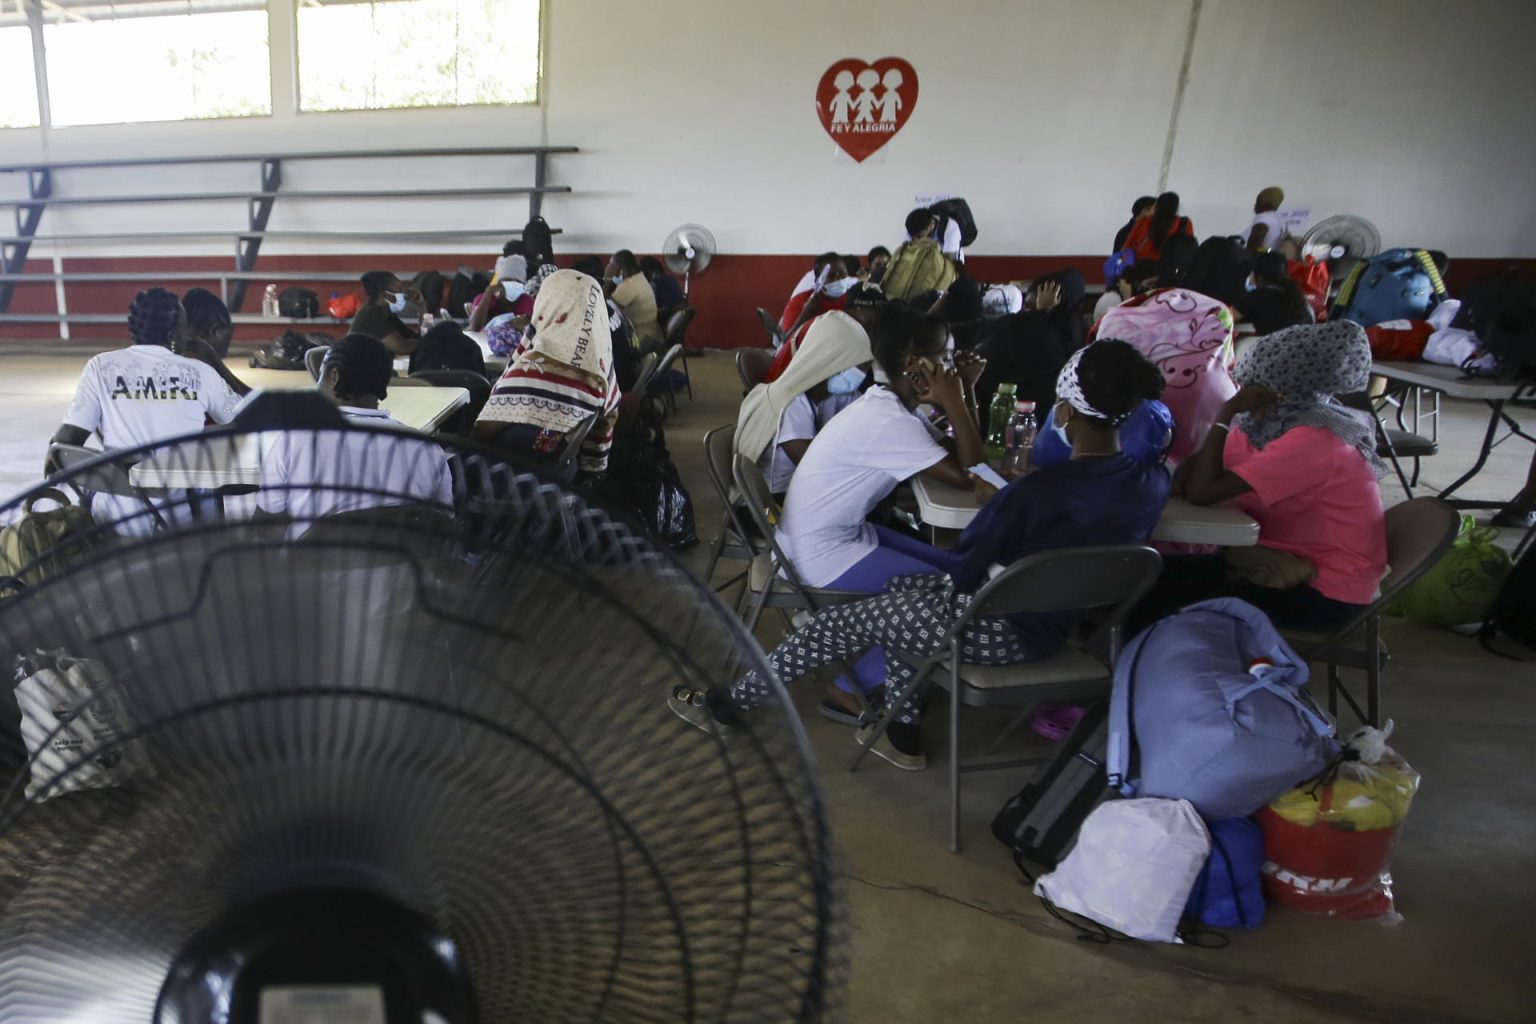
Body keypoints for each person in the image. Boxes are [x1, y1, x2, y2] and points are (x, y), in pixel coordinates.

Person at [671, 341, 1171, 770]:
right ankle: (899, 733)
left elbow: (961, 569)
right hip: (1058, 628)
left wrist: (1001, 503)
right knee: (902, 600)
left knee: (843, 623)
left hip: (995, 627)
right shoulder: (1153, 483)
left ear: (1064, 411)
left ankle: (726, 705)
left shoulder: (1038, 494)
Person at [768, 307, 986, 701]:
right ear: (913, 364)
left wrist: (964, 393)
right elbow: (975, 474)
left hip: (828, 537)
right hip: (819, 555)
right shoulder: (888, 421)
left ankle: (880, 666)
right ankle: (851, 686)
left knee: (958, 568)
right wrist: (955, 399)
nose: (951, 366)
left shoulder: (888, 405)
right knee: (946, 599)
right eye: (945, 357)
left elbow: (964, 455)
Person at [1136, 322, 1387, 632]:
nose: (1241, 392)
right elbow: (1196, 470)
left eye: (1249, 386)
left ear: (1277, 392)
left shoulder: (1313, 438)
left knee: (1148, 600)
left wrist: (1225, 413)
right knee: (1140, 576)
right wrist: (1223, 430)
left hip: (1324, 593)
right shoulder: (1271, 425)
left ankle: (1133, 667)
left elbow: (1202, 492)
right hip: (1276, 561)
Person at [48, 288, 243, 529]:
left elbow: (66, 442)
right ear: (173, 335)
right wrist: (210, 357)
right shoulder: (199, 372)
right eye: (185, 329)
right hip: (179, 517)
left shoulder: (100, 366)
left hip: (115, 514)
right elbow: (243, 419)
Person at [256, 333, 453, 533]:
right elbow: (443, 523)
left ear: (333, 377)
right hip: (410, 563)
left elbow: (265, 527)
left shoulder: (293, 440)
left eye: (321, 373)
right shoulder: (426, 448)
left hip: (315, 563)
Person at [472, 269, 620, 474]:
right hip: (565, 471)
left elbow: (481, 433)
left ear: (548, 306)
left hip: (521, 479)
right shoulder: (600, 366)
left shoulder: (534, 370)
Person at [734, 305, 873, 498]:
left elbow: (871, 413)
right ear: (833, 361)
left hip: (801, 492)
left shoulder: (830, 392)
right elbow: (817, 469)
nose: (864, 375)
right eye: (861, 366)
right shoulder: (789, 405)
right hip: (770, 505)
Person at [972, 268, 1085, 422]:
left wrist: (1039, 316)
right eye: (1027, 309)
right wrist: (1041, 315)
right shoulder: (1071, 334)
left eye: (1031, 309)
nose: (1025, 315)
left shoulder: (1043, 335)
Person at [181, 288, 252, 397]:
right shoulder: (201, 361)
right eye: (228, 333)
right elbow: (243, 401)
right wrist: (213, 357)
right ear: (215, 330)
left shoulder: (172, 350)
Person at [1234, 252, 1312, 335]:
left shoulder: (1257, 297)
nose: (1250, 275)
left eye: (1252, 271)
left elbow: (1226, 319)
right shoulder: (1297, 295)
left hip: (1277, 345)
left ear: (1259, 276)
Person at [780, 253, 853, 340]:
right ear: (817, 281)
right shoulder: (799, 302)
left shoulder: (853, 299)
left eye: (843, 273)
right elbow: (787, 342)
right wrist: (804, 316)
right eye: (831, 276)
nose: (838, 279)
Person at [606, 249, 665, 351]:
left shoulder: (629, 285)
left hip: (642, 339)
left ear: (621, 268)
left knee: (608, 345)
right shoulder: (639, 278)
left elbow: (605, 307)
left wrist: (607, 278)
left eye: (612, 266)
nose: (609, 269)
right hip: (653, 336)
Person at [351, 271, 420, 355]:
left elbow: (414, 336)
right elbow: (401, 347)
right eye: (398, 289)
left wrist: (421, 306)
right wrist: (428, 344)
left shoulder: (385, 310)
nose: (402, 293)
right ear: (385, 292)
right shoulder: (372, 313)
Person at [468, 253, 534, 332]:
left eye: (517, 281)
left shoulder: (527, 300)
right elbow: (475, 327)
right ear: (498, 283)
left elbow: (531, 328)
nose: (513, 284)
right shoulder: (484, 298)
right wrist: (488, 293)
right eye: (508, 280)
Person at [1123, 192, 1194, 263]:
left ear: (1157, 206)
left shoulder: (1143, 221)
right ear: (1176, 207)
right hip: (1170, 268)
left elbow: (1127, 246)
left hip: (1140, 267)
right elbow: (1189, 247)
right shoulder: (1184, 223)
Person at [409, 321, 487, 376]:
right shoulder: (471, 346)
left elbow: (411, 375)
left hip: (425, 396)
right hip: (471, 397)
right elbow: (483, 377)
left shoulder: (421, 347)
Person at [1244, 186, 1286, 252]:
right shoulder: (1279, 218)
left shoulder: (1263, 219)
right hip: (1272, 257)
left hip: (1259, 259)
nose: (1255, 205)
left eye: (1258, 202)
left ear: (1263, 203)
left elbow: (1254, 245)